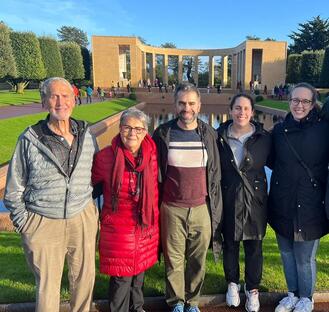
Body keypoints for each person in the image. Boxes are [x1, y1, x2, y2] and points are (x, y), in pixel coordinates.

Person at [4, 77, 99, 312]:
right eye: (53, 96)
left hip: (82, 217)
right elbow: (14, 188)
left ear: (74, 100)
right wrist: (26, 224)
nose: (60, 102)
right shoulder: (30, 139)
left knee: (84, 281)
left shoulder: (87, 135)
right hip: (43, 221)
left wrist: (90, 208)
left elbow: (96, 175)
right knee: (48, 287)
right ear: (44, 101)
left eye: (65, 96)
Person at [152, 82, 222, 312]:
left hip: (201, 207)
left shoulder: (209, 133)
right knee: (174, 260)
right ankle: (176, 302)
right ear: (175, 104)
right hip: (172, 207)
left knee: (197, 260)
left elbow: (215, 172)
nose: (187, 108)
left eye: (191, 103)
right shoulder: (163, 133)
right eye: (182, 103)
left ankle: (192, 301)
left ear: (199, 105)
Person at [268, 82, 329, 312]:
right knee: (286, 253)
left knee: (304, 258)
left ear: (313, 104)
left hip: (311, 204)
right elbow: (271, 161)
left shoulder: (325, 129)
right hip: (283, 201)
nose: (299, 105)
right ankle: (292, 294)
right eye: (295, 100)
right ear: (289, 101)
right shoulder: (279, 131)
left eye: (305, 101)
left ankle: (307, 297)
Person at [92, 108, 159, 312]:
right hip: (119, 228)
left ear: (146, 131)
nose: (132, 133)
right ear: (120, 129)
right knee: (122, 277)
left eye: (138, 129)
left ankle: (137, 307)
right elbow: (91, 187)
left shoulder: (152, 155)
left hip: (144, 225)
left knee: (139, 275)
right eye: (127, 127)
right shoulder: (106, 157)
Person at [217, 94, 271, 312]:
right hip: (229, 197)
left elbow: (277, 164)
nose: (242, 113)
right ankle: (232, 283)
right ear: (230, 110)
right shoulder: (219, 136)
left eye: (246, 108)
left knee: (254, 246)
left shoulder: (264, 138)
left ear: (252, 112)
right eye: (237, 108)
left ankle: (253, 289)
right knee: (230, 243)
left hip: (254, 201)